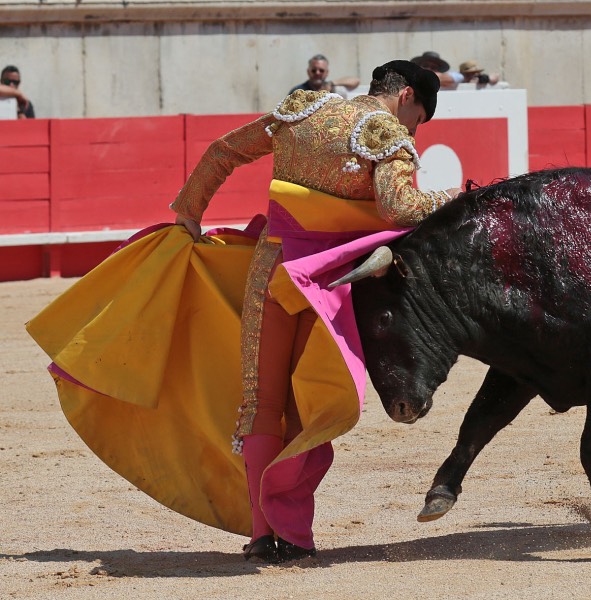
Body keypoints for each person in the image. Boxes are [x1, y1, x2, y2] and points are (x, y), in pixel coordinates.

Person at [170, 59, 460, 564]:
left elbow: (222, 152)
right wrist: (455, 198)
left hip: (273, 268)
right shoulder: (384, 131)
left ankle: (262, 537)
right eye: (420, 117)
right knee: (306, 407)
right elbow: (398, 209)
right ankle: (296, 538)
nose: (415, 129)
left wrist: (189, 212)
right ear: (408, 96)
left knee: (260, 404)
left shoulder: (302, 110)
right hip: (328, 283)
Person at [288, 54, 360, 99]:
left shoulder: (330, 88)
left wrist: (331, 83)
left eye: (321, 70)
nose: (317, 73)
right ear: (308, 71)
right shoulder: (298, 91)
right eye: (314, 70)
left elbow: (355, 81)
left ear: (327, 72)